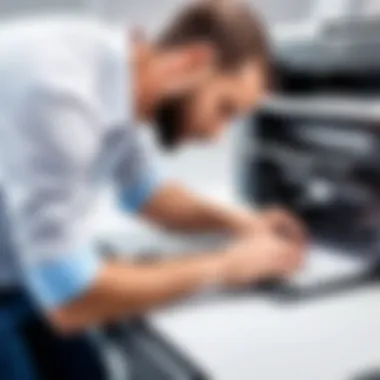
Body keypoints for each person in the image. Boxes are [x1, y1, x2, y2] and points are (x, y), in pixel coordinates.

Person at [0, 1, 307, 379]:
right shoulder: (60, 95)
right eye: (224, 108)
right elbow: (70, 299)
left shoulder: (121, 77)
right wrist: (224, 267)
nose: (216, 135)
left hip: (24, 276)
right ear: (193, 62)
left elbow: (145, 192)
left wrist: (241, 221)